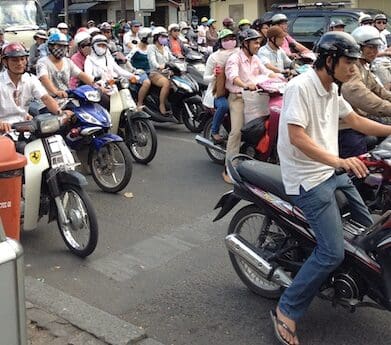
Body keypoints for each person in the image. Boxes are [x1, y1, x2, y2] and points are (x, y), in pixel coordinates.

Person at [275, 31, 391, 345]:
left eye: (356, 61)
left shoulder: (331, 88)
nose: (354, 68)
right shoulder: (301, 87)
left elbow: (355, 120)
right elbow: (298, 138)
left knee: (369, 227)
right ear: (329, 60)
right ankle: (287, 309)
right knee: (331, 252)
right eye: (348, 61)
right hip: (308, 179)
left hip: (329, 169)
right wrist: (339, 162)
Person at [224, 28, 277, 183]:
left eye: (259, 42)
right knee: (236, 132)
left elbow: (266, 72)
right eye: (255, 42)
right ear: (245, 43)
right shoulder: (235, 58)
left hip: (256, 98)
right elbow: (233, 77)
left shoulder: (255, 58)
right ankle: (229, 169)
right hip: (238, 98)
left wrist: (283, 76)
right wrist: (245, 85)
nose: (258, 45)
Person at [340, 25, 391, 157]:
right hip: (345, 124)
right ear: (359, 47)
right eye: (370, 47)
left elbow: (379, 91)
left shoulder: (363, 66)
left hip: (360, 117)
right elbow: (366, 99)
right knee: (358, 159)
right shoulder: (353, 68)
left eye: (376, 47)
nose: (374, 51)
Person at [0, 43, 68, 132]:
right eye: (14, 60)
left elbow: (46, 98)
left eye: (22, 59)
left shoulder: (30, 79)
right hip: (4, 131)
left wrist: (61, 113)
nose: (20, 63)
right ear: (5, 62)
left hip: (25, 127)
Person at [85, 34, 150, 110]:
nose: (102, 48)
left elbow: (119, 70)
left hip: (114, 85)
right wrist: (99, 85)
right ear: (93, 46)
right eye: (99, 45)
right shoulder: (89, 60)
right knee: (108, 104)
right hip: (100, 89)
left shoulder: (108, 58)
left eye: (104, 45)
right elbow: (88, 77)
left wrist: (133, 76)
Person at [203, 29, 239, 143]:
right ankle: (214, 131)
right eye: (226, 39)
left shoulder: (240, 53)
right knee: (223, 106)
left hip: (237, 89)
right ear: (221, 42)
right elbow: (205, 78)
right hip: (217, 92)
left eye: (232, 39)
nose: (230, 41)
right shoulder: (214, 57)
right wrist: (215, 75)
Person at [36, 32, 94, 98]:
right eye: (59, 46)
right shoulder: (42, 62)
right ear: (50, 46)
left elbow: (81, 74)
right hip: (49, 99)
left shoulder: (67, 62)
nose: (62, 49)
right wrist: (56, 92)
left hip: (66, 97)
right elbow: (44, 78)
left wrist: (95, 85)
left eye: (64, 46)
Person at [147, 26, 176, 115]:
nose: (164, 39)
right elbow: (152, 61)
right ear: (156, 37)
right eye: (162, 37)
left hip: (167, 72)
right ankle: (162, 104)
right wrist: (159, 66)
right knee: (166, 83)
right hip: (155, 73)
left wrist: (180, 59)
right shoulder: (151, 48)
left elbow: (172, 58)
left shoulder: (166, 48)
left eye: (165, 37)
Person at [372, 13, 391, 89]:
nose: (381, 24)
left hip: (388, 60)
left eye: (384, 22)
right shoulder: (372, 35)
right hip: (377, 62)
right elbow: (372, 53)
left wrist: (386, 53)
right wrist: (385, 53)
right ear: (374, 23)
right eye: (379, 22)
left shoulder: (386, 34)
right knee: (388, 83)